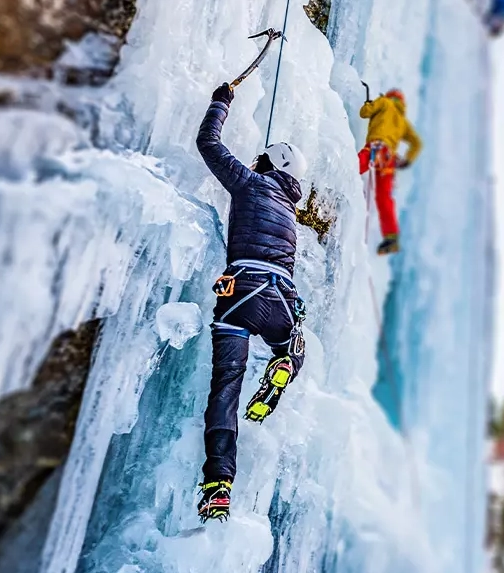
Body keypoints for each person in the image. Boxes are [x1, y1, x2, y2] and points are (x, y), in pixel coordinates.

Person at [195, 82, 308, 523]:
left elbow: (208, 143)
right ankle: (284, 366)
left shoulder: (249, 182)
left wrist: (221, 100)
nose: (255, 161)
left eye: (262, 157)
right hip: (280, 296)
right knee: (292, 346)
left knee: (225, 387)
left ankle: (218, 484)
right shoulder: (290, 212)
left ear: (271, 163)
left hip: (240, 292)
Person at [358, 88, 422, 255]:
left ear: (390, 97)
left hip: (376, 148)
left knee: (354, 166)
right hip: (388, 159)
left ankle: (334, 181)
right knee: (384, 197)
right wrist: (407, 160)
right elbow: (416, 143)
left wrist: (369, 104)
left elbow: (364, 113)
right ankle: (391, 237)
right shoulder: (402, 121)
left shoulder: (384, 102)